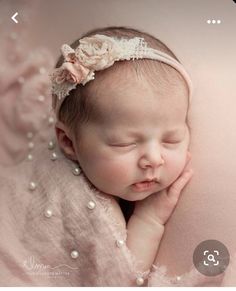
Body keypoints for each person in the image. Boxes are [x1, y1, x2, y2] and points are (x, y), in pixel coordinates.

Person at [0, 26, 193, 287]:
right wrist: (149, 220)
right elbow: (119, 279)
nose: (154, 159)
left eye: (172, 139)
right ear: (68, 142)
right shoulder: (96, 211)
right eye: (125, 144)